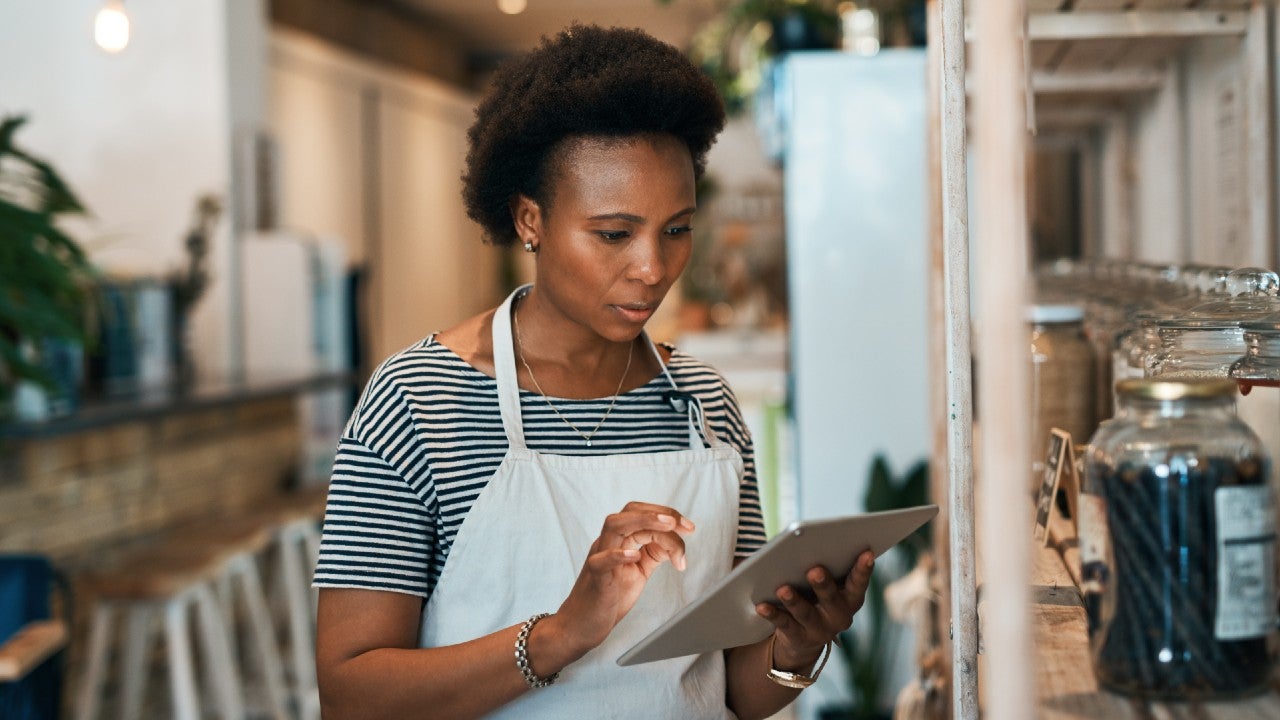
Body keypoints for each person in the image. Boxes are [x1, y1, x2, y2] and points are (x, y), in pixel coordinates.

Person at [313, 24, 874, 720]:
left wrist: (798, 645)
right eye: (614, 234)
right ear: (530, 220)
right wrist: (561, 635)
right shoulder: (418, 401)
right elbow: (350, 696)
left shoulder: (704, 404)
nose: (653, 268)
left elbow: (730, 686)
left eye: (677, 229)